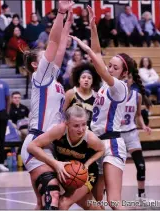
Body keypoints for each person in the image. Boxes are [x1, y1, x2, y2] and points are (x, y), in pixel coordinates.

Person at [70, 6, 141, 210]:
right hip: (97, 145)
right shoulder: (103, 86)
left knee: (114, 201)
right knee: (94, 201)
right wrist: (93, 28)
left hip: (112, 144)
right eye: (109, 65)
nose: (109, 68)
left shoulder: (119, 87)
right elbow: (99, 55)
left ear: (124, 73)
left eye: (115, 67)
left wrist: (87, 50)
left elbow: (97, 59)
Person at [21, 2, 74, 210]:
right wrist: (60, 13)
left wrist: (68, 22)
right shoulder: (40, 76)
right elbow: (53, 42)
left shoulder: (52, 77)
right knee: (51, 191)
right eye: (43, 55)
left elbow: (60, 46)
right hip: (37, 142)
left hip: (48, 144)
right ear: (35, 64)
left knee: (43, 203)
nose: (48, 56)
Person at [27, 105, 104, 210]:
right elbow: (32, 146)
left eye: (84, 124)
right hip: (64, 170)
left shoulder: (90, 138)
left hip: (85, 173)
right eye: (76, 126)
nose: (81, 129)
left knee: (63, 203)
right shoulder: (60, 130)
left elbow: (102, 149)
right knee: (88, 205)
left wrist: (87, 164)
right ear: (66, 123)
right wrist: (55, 163)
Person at [120, 71, 151, 200]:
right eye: (124, 77)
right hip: (117, 135)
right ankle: (113, 197)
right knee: (115, 168)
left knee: (141, 165)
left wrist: (143, 126)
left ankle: (141, 196)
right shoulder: (114, 95)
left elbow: (138, 115)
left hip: (131, 133)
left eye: (129, 78)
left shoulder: (137, 96)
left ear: (132, 80)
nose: (127, 79)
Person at [63, 62, 101, 128]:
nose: (86, 80)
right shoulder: (70, 93)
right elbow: (62, 113)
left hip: (89, 132)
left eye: (89, 78)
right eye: (83, 77)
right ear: (78, 80)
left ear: (92, 81)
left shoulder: (96, 96)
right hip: (71, 132)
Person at [0, 75, 10, 172]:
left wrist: (7, 113)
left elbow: (8, 99)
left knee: (1, 138)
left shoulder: (3, 83)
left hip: (1, 114)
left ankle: (0, 162)